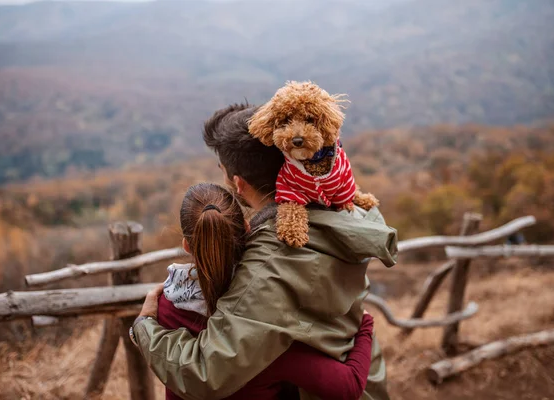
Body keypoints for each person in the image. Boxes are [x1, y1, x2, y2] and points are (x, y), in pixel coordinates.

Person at [131, 103, 398, 400]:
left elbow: (206, 373)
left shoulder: (269, 264)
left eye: (222, 170)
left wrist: (145, 328)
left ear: (238, 183)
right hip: (366, 375)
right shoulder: (341, 210)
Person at [156, 182, 374, 399]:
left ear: (186, 245)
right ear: (248, 227)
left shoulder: (162, 309)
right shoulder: (265, 320)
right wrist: (365, 326)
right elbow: (348, 386)